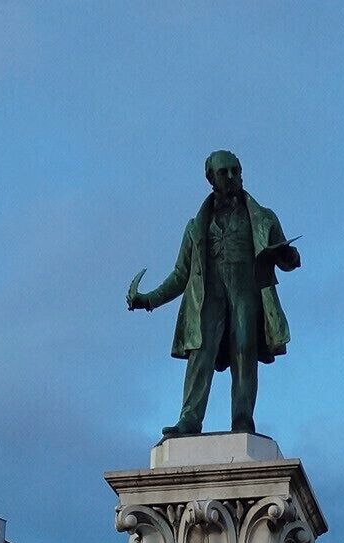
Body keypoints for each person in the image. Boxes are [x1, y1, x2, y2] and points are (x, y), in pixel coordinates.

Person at [126, 150, 302, 437]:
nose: (232, 177)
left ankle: (243, 419)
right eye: (224, 172)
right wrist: (149, 300)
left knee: (244, 350)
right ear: (211, 178)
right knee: (201, 355)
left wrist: (290, 256)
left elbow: (284, 260)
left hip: (247, 295)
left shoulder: (264, 218)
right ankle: (189, 420)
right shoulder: (196, 227)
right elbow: (181, 275)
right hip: (208, 299)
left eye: (236, 171)